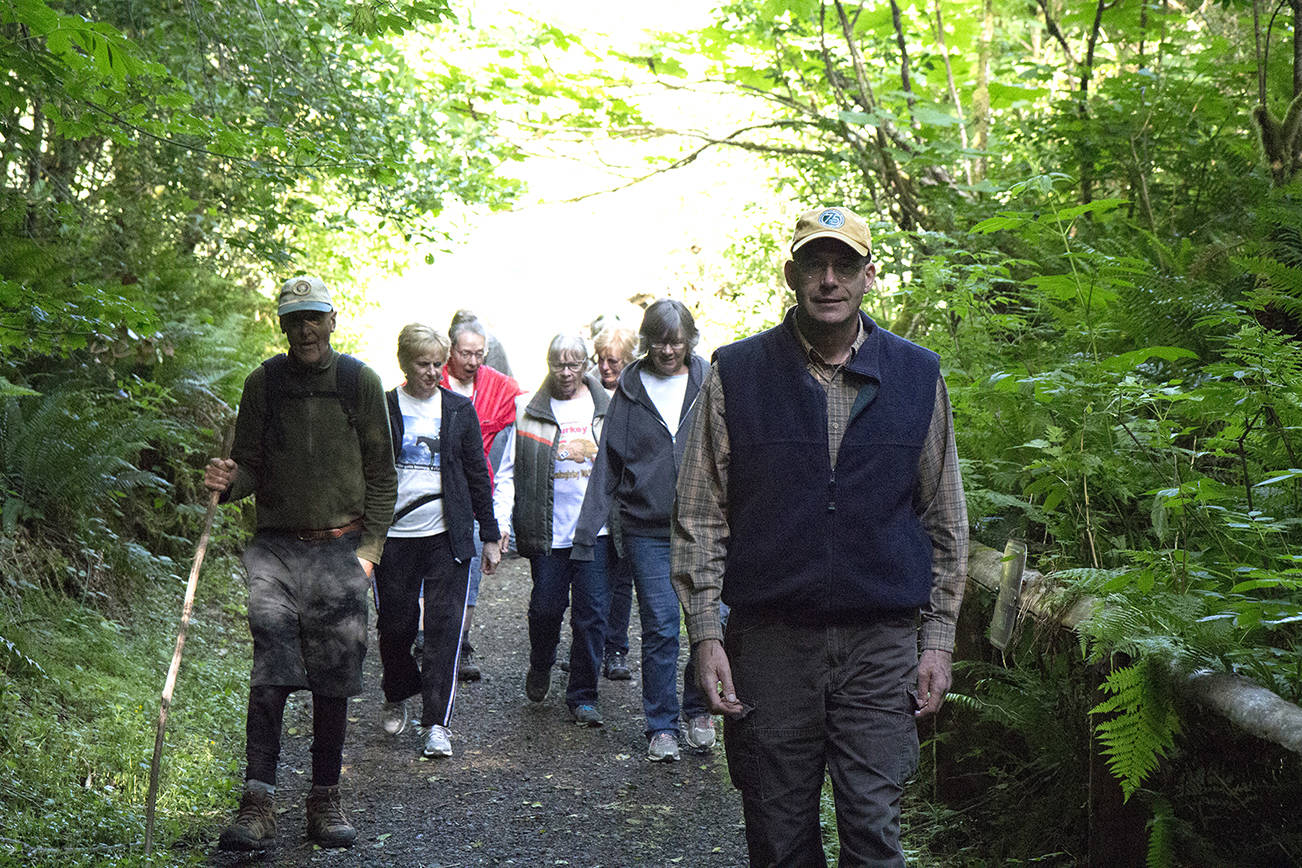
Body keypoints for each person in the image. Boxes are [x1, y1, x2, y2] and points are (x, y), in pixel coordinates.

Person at [671, 206, 969, 866]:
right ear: (791, 275)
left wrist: (939, 641)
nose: (828, 280)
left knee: (872, 832)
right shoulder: (737, 374)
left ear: (869, 277)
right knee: (778, 839)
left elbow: (946, 522)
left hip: (880, 645)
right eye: (814, 263)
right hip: (771, 643)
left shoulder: (917, 376)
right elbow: (700, 515)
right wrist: (705, 634)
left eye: (843, 265)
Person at [204, 275, 396, 851]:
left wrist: (369, 553)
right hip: (277, 551)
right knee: (271, 671)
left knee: (334, 679)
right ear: (282, 325)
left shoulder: (359, 381)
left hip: (342, 547)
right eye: (294, 319)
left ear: (332, 321)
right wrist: (227, 479)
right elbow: (250, 468)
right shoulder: (263, 383)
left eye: (314, 317)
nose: (305, 329)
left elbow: (383, 475)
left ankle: (324, 799)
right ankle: (257, 802)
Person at [573, 300, 709, 762]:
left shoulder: (709, 383)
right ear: (646, 340)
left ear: (690, 340)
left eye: (676, 341)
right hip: (646, 530)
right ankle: (662, 726)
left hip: (706, 526)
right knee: (661, 626)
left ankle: (698, 709)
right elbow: (606, 468)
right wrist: (586, 531)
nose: (667, 350)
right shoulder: (629, 391)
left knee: (710, 622)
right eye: (658, 340)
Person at [374, 324, 501, 759]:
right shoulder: (384, 408)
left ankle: (436, 725)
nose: (431, 373)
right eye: (422, 364)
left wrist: (490, 533)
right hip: (393, 537)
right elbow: (366, 471)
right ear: (404, 364)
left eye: (436, 364)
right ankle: (396, 688)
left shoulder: (459, 410)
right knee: (395, 626)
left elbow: (477, 474)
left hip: (447, 537)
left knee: (443, 633)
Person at [507, 334, 613, 726]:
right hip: (548, 531)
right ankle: (541, 661)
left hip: (595, 532)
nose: (566, 373)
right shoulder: (529, 410)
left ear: (586, 365)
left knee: (592, 615)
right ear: (548, 364)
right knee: (545, 608)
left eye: (573, 364)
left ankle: (583, 695)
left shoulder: (606, 408)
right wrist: (501, 525)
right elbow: (507, 469)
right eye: (558, 364)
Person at [440, 315, 522, 681]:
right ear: (450, 350)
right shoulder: (432, 378)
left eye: (479, 354)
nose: (472, 361)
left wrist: (498, 520)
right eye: (465, 353)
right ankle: (428, 636)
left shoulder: (502, 390)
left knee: (470, 559)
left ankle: (463, 640)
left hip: (478, 493)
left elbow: (506, 462)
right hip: (436, 492)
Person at [590, 323, 638, 680]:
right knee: (593, 580)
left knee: (622, 580)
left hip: (627, 501)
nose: (606, 368)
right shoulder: (586, 390)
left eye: (613, 361)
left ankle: (616, 649)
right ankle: (588, 646)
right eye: (601, 360)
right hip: (592, 499)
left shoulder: (637, 389)